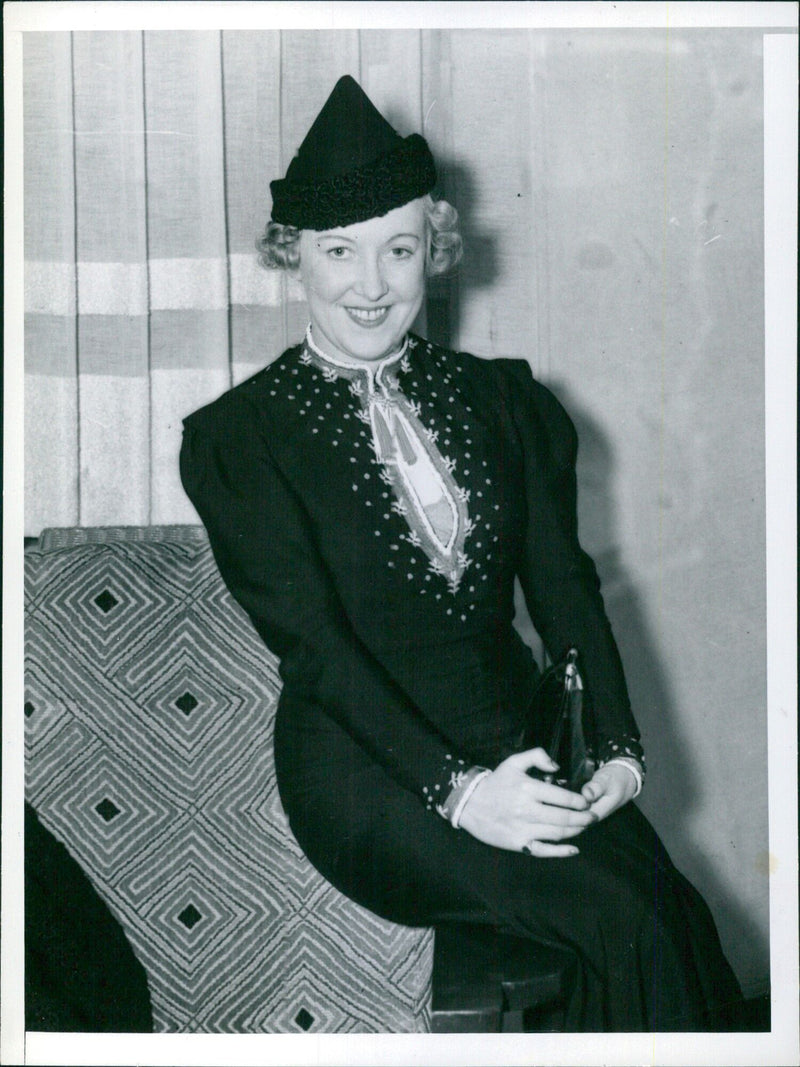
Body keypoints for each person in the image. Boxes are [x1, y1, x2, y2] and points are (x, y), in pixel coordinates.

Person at [180, 75, 743, 1031]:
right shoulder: (241, 437)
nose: (370, 284)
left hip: (515, 728)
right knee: (622, 918)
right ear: (295, 259)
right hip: (364, 772)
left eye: (397, 249)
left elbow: (564, 584)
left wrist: (617, 746)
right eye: (339, 251)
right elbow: (315, 648)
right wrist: (461, 794)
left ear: (433, 252)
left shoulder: (503, 399)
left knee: (668, 909)